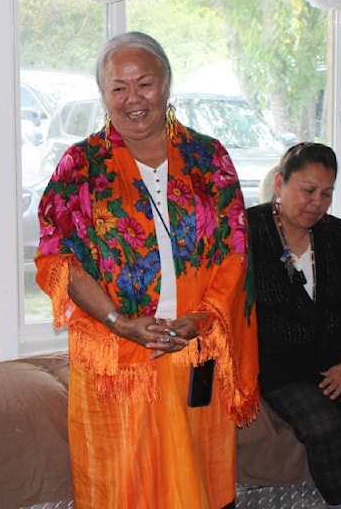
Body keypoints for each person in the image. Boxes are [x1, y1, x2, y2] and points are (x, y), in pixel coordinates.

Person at [35, 31, 259, 509]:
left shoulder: (209, 158)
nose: (133, 98)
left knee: (194, 486)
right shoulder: (81, 165)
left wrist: (200, 320)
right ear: (104, 95)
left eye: (144, 84)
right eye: (118, 87)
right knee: (122, 487)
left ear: (167, 84)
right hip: (113, 359)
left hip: (192, 351)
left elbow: (236, 251)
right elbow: (62, 260)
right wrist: (119, 321)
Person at [247, 142, 341, 509]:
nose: (317, 202)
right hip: (281, 363)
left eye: (327, 193)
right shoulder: (248, 233)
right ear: (280, 184)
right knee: (322, 427)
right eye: (308, 190)